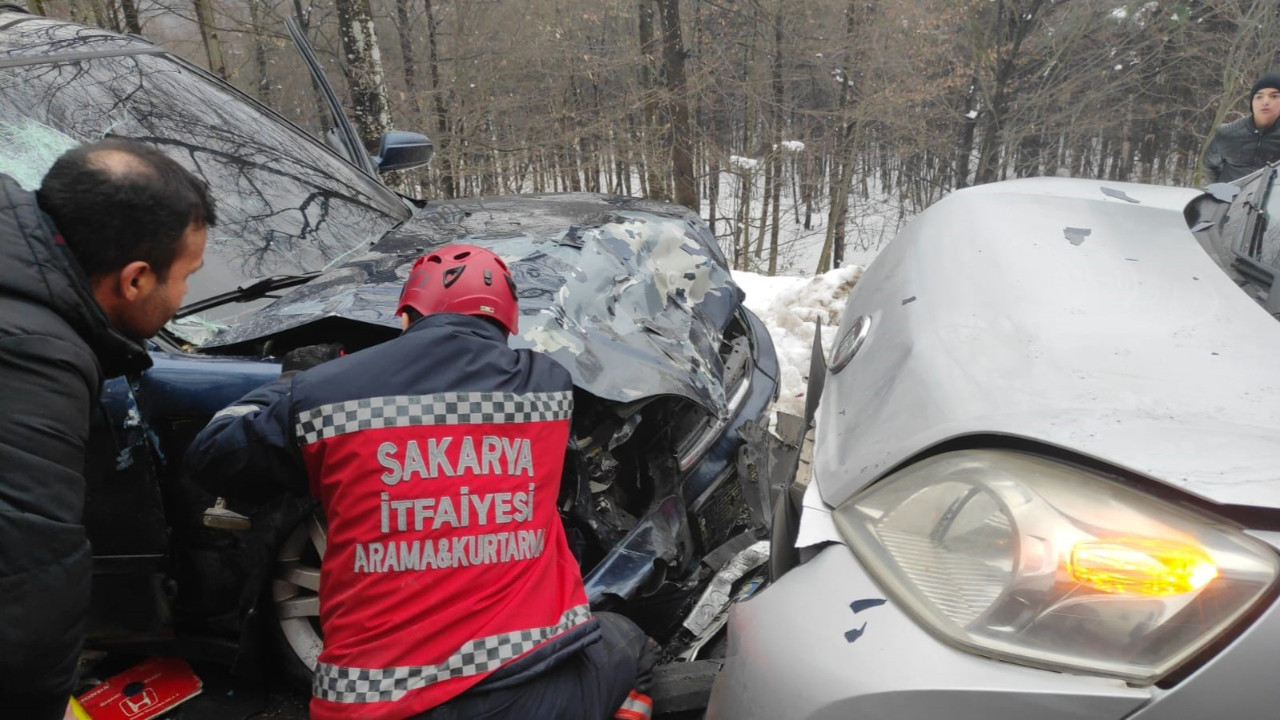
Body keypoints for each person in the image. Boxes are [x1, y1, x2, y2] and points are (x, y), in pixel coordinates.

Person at [185, 245, 656, 720]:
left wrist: (295, 384)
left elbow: (213, 455)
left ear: (407, 315)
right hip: (523, 692)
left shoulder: (323, 394)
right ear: (508, 324)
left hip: (367, 707)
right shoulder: (549, 385)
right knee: (633, 645)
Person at [0, 138, 214, 719]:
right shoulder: (32, 357)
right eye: (186, 276)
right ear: (137, 279)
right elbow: (29, 567)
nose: (185, 294)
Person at [1205, 73, 1280, 183]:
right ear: (1252, 102)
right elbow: (1209, 165)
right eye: (1259, 96)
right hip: (1231, 198)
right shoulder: (1227, 134)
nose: (1265, 102)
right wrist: (1220, 192)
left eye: (1274, 96)